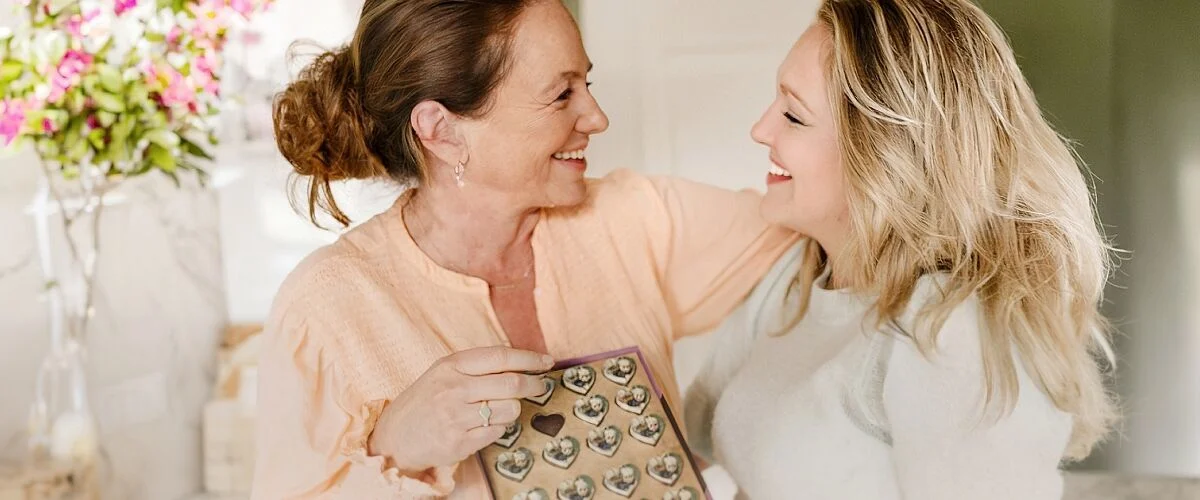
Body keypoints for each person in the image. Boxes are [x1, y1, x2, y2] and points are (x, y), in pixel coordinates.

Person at [251, 0, 797, 498]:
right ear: (440, 131)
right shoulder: (325, 310)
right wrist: (396, 450)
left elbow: (822, 219)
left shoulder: (633, 220)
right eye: (561, 94)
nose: (597, 117)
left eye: (587, 83)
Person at [684, 0, 1118, 499]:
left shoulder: (948, 330)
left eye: (793, 116)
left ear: (885, 152)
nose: (761, 130)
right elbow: (685, 443)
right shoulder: (789, 280)